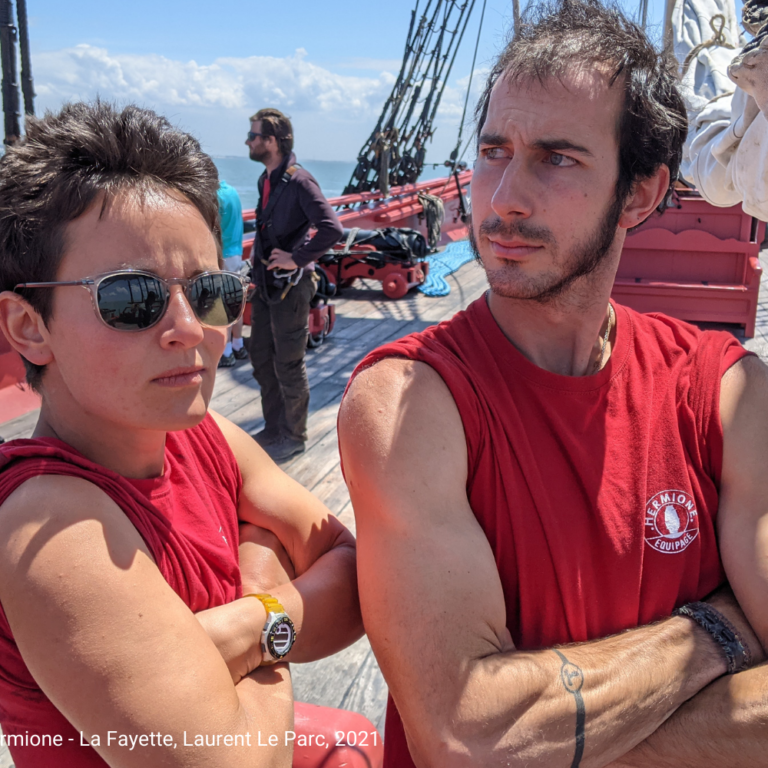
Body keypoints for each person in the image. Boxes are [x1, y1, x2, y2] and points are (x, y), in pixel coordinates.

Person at [338, 2, 768, 766]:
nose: (502, 197)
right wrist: (717, 632)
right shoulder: (409, 405)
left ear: (639, 194)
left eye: (557, 158)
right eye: (494, 150)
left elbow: (505, 747)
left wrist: (552, 745)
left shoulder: (725, 393)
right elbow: (470, 738)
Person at [0, 101, 368, 768]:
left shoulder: (204, 439)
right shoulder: (47, 529)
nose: (190, 329)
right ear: (30, 327)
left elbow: (351, 576)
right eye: (132, 297)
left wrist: (244, 621)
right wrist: (269, 577)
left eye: (210, 292)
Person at [245, 108, 342, 462]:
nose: (249, 141)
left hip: (290, 287)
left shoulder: (300, 181)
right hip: (267, 285)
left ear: (272, 141)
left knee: (288, 361)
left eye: (254, 136)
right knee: (260, 356)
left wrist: (296, 258)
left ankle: (294, 435)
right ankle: (274, 427)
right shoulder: (265, 181)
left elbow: (332, 228)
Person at [217, 179, 248, 368]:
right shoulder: (233, 191)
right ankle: (239, 345)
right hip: (236, 252)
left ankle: (226, 352)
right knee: (235, 301)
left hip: (222, 254)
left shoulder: (216, 196)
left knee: (221, 306)